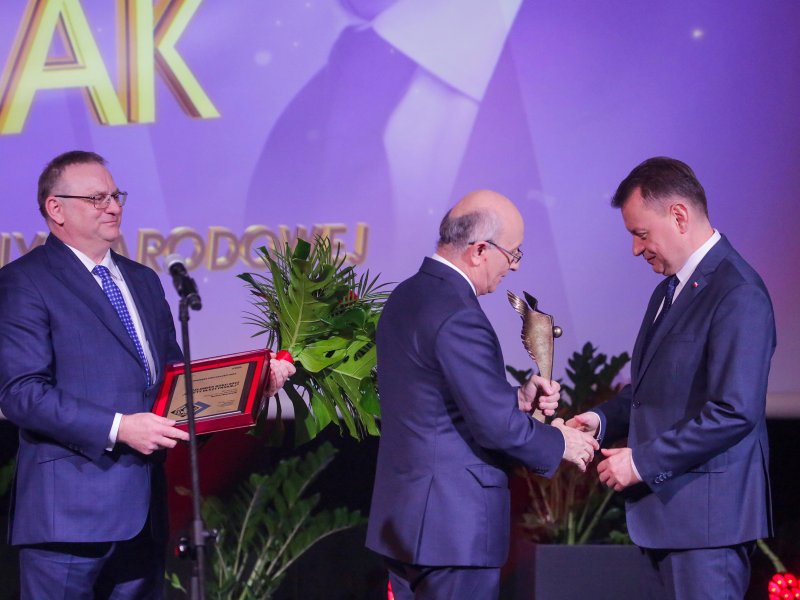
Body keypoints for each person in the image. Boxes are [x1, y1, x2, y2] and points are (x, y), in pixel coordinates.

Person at [0, 150, 295, 599]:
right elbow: (22, 393)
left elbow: (173, 388)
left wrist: (250, 387)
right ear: (55, 208)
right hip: (68, 517)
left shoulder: (143, 280)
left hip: (143, 515)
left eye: (115, 195)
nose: (112, 207)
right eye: (96, 198)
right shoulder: (26, 280)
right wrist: (119, 428)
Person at [366, 189, 599, 599]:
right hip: (452, 530)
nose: (514, 265)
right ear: (478, 250)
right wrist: (561, 441)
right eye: (513, 253)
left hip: (406, 525)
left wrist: (516, 398)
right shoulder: (459, 312)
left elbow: (435, 399)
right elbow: (494, 427)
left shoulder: (407, 295)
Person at [568, 157, 774, 599]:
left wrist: (640, 463)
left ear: (679, 216)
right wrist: (601, 420)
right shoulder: (669, 290)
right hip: (668, 524)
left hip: (706, 529)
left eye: (641, 234)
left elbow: (734, 411)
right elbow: (654, 390)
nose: (635, 249)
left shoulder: (738, 291)